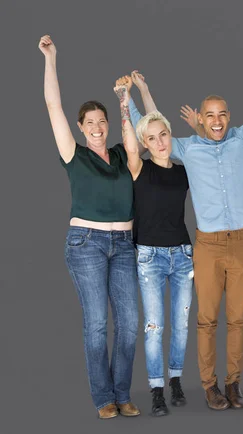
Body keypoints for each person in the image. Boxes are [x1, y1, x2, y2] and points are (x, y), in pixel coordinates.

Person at [128, 40, 243, 410]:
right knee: (207, 319)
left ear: (229, 115)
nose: (216, 121)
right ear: (201, 116)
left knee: (239, 319)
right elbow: (151, 129)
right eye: (209, 115)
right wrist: (129, 97)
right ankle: (210, 386)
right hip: (208, 244)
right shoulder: (186, 148)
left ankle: (233, 384)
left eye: (222, 114)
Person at [39, 35, 140, 419]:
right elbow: (53, 106)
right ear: (81, 127)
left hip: (125, 243)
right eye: (90, 123)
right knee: (98, 324)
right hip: (87, 244)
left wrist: (123, 103)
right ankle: (104, 398)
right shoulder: (74, 155)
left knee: (129, 324)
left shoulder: (120, 154)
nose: (97, 128)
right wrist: (52, 58)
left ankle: (122, 392)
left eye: (102, 122)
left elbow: (135, 149)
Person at [114, 72, 193, 417]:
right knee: (154, 327)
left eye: (164, 136)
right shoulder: (138, 168)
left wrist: (145, 90)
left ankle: (176, 379)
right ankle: (157, 388)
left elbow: (155, 120)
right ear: (144, 143)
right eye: (152, 139)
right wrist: (125, 101)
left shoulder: (182, 170)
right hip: (149, 256)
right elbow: (138, 130)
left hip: (183, 256)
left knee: (181, 324)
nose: (160, 141)